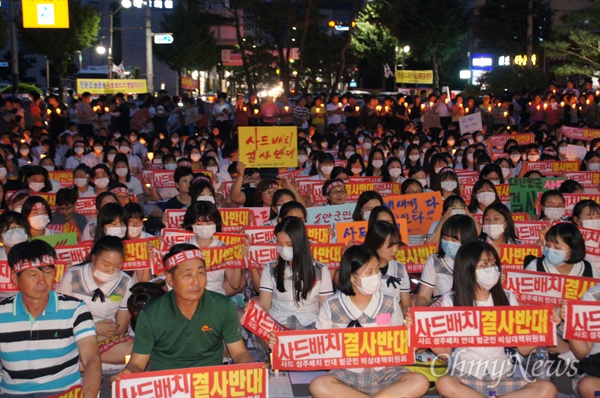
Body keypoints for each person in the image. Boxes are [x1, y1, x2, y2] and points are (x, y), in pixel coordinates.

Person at [434, 241, 558, 398]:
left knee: (547, 388)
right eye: (484, 264)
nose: (492, 269)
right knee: (444, 384)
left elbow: (524, 349)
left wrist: (547, 325)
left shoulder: (507, 297)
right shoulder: (451, 300)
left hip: (502, 374)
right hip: (465, 375)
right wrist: (420, 334)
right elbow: (444, 353)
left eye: (494, 264)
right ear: (467, 268)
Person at [110, 244, 253, 377]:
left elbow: (239, 353)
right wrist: (128, 373)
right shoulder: (151, 313)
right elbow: (137, 363)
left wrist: (251, 368)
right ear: (170, 279)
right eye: (187, 275)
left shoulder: (222, 306)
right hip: (167, 384)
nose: (196, 282)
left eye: (201, 273)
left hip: (209, 384)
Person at [307, 245, 429, 398]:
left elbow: (401, 344)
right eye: (369, 272)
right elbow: (319, 346)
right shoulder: (332, 305)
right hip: (346, 373)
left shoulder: (389, 302)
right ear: (352, 277)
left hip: (387, 371)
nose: (376, 276)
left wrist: (411, 334)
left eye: (377, 270)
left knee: (420, 381)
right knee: (318, 385)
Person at [0, 240, 101, 396]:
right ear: (15, 278)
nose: (42, 281)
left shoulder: (75, 310)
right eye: (33, 274)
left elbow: (92, 359)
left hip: (63, 393)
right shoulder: (2, 314)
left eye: (47, 272)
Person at [57, 236, 135, 365]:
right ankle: (87, 360)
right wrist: (93, 328)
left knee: (133, 350)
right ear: (94, 258)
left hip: (105, 337)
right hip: (74, 333)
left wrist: (100, 336)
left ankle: (81, 361)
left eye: (117, 266)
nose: (111, 271)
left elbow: (120, 329)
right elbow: (61, 317)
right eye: (106, 264)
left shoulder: (125, 282)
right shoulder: (73, 275)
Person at [258, 216, 333, 329]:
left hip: (310, 324)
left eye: (289, 245)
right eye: (279, 244)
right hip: (278, 323)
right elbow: (264, 305)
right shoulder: (270, 269)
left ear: (301, 243)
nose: (284, 248)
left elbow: (325, 307)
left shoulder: (321, 270)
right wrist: (256, 309)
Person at [182, 201, 245, 296]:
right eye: (199, 224)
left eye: (208, 223)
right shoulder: (183, 248)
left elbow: (235, 284)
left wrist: (238, 258)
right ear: (191, 224)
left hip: (217, 298)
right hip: (190, 297)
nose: (204, 228)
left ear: (216, 223)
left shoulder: (224, 248)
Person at [415, 215, 479, 307]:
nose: (448, 243)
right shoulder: (435, 260)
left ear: (467, 240)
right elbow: (423, 297)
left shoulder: (480, 262)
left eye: (454, 240)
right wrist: (420, 314)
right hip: (443, 314)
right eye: (445, 238)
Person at [364, 221, 411, 315]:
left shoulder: (399, 268)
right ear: (376, 244)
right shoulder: (362, 268)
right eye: (390, 246)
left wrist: (405, 318)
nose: (395, 250)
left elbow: (406, 305)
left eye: (397, 244)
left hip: (393, 321)